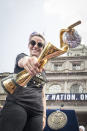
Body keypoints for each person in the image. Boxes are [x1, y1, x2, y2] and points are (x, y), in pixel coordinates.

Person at [0, 32, 47, 131]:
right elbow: (23, 60)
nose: (35, 46)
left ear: (43, 48)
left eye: (40, 44)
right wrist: (27, 60)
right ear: (29, 45)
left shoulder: (43, 70)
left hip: (37, 113)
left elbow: (42, 94)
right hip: (18, 104)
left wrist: (44, 116)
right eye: (32, 42)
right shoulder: (22, 56)